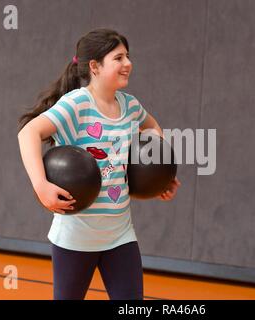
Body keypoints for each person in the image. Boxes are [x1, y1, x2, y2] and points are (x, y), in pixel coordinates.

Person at [17, 28, 180, 300]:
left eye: (128, 56)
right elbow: (28, 133)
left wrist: (158, 175)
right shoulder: (77, 104)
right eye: (118, 58)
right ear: (95, 66)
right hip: (76, 236)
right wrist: (40, 185)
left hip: (120, 234)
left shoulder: (130, 106)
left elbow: (152, 128)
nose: (128, 63)